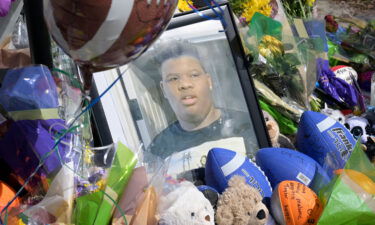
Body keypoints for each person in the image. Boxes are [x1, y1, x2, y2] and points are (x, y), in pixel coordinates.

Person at [147, 40, 258, 176]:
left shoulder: (248, 125)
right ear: (163, 89)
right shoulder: (158, 149)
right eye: (173, 78)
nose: (185, 84)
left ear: (209, 81)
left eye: (194, 75)